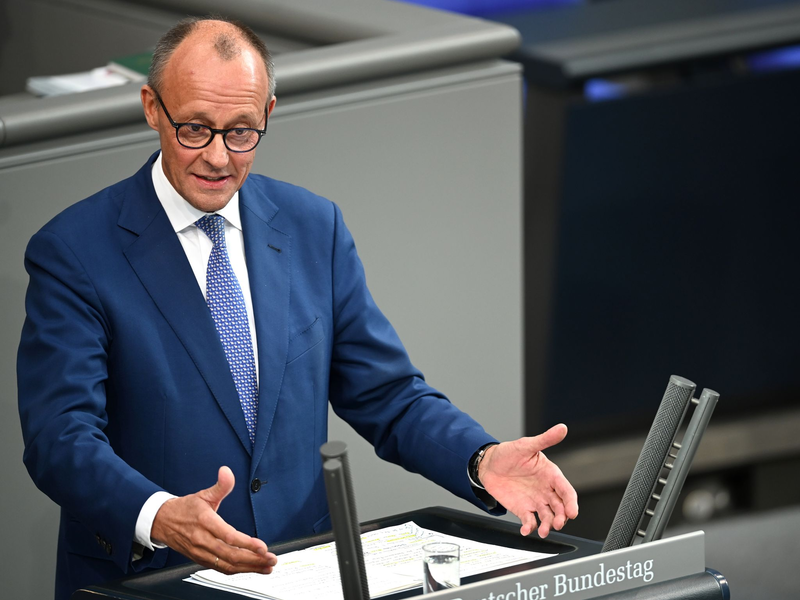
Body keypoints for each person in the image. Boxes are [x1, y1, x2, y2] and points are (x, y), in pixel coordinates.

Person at [17, 16, 578, 600]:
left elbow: (386, 393)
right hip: (154, 582)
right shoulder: (75, 250)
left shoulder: (313, 227)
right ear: (152, 108)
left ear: (268, 115)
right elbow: (60, 437)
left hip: (300, 575)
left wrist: (479, 458)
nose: (217, 157)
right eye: (194, 130)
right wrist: (157, 514)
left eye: (241, 132)